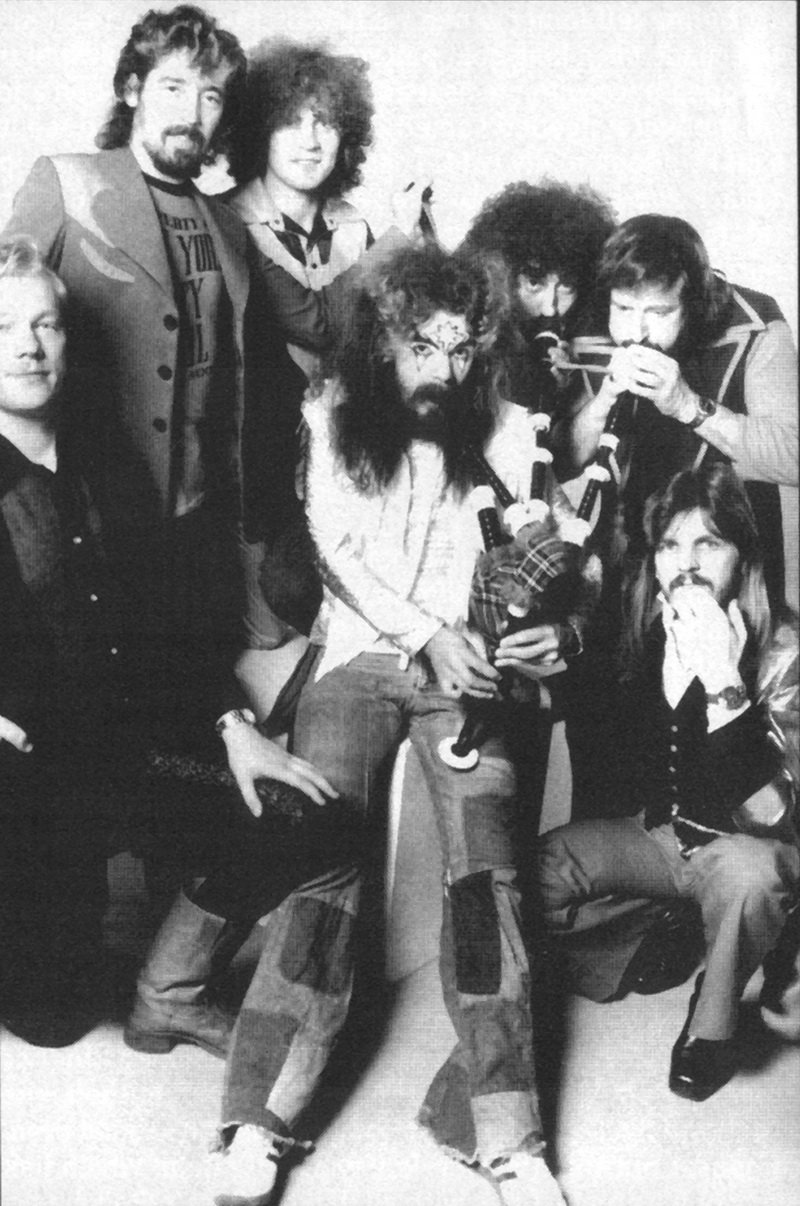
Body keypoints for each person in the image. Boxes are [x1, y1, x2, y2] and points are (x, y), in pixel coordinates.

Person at [2, 4, 340, 1053]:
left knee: (196, 745)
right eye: (173, 87)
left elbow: (308, 333)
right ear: (133, 91)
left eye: (212, 94)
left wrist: (398, 248)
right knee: (54, 988)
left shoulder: (230, 225)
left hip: (183, 539)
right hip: (47, 515)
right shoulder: (68, 184)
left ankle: (165, 967)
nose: (193, 110)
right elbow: (11, 301)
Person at [210, 244, 568, 1206]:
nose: (442, 369)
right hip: (361, 657)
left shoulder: (507, 427)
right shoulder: (330, 412)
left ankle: (510, 1136)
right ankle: (259, 1120)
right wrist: (428, 635)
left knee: (487, 877)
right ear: (384, 344)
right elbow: (335, 551)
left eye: (460, 348)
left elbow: (515, 557)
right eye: (422, 347)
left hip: (464, 673)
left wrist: (512, 631)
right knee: (320, 857)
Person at [537, 462, 799, 1102]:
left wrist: (724, 683)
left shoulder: (786, 652)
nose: (687, 563)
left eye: (709, 543)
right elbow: (601, 718)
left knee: (751, 875)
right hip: (663, 836)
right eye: (671, 545)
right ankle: (658, 938)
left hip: (747, 851)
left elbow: (775, 814)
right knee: (536, 872)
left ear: (743, 558)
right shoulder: (647, 628)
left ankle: (712, 1024)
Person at [226, 38, 430, 645]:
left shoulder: (354, 225)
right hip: (260, 476)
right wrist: (398, 240)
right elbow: (318, 322)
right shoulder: (228, 221)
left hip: (350, 459)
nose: (311, 140)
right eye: (290, 121)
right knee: (275, 632)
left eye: (327, 122)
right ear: (258, 131)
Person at [555, 213, 798, 606]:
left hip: (731, 573)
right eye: (624, 308)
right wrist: (604, 400)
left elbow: (793, 457)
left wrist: (687, 405)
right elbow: (564, 461)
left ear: (693, 304)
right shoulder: (589, 323)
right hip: (627, 575)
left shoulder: (757, 323)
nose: (636, 331)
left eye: (659, 313)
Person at [460, 178, 616, 411]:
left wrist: (565, 393)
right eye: (535, 283)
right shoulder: (468, 334)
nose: (550, 308)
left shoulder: (589, 340)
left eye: (566, 285)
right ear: (504, 276)